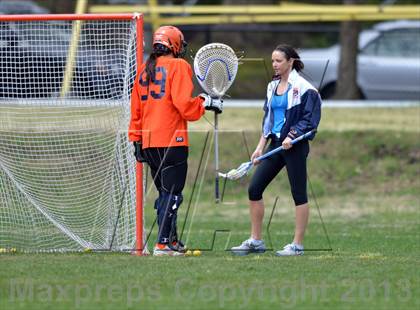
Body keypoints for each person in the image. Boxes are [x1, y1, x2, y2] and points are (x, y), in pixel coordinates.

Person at [128, 26, 222, 256]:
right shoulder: (179, 66)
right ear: (174, 45)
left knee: (165, 194)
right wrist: (205, 103)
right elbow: (184, 106)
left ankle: (171, 240)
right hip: (172, 139)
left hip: (149, 142)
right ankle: (162, 244)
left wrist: (136, 140)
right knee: (173, 193)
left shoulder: (143, 70)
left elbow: (136, 110)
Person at [231, 44, 321, 257]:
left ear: (291, 62)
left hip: (294, 146)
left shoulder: (305, 88)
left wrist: (292, 135)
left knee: (298, 194)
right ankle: (256, 240)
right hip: (275, 145)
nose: (275, 65)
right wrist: (260, 146)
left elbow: (311, 119)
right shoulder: (272, 87)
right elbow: (268, 119)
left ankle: (297, 245)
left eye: (279, 61)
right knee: (254, 189)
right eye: (273, 61)